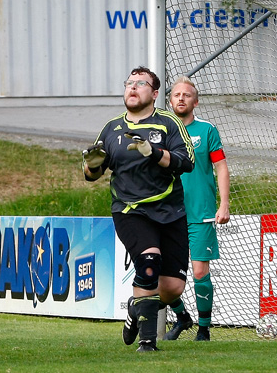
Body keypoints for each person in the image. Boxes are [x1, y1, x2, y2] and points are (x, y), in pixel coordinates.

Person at [83, 65, 195, 352]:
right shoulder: (111, 129)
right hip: (130, 210)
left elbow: (186, 162)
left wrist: (154, 153)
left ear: (155, 93)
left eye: (141, 83)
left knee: (171, 288)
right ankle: (147, 343)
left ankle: (135, 309)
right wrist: (92, 167)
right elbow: (92, 174)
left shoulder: (169, 124)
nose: (132, 88)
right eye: (129, 83)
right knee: (148, 260)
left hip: (171, 211)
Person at [164, 76, 230, 341]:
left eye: (186, 95)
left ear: (196, 101)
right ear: (169, 100)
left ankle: (204, 329)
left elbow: (221, 167)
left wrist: (224, 204)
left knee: (200, 272)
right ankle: (182, 317)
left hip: (200, 212)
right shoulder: (162, 131)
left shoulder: (207, 131)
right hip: (167, 213)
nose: (181, 98)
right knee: (163, 277)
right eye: (176, 94)